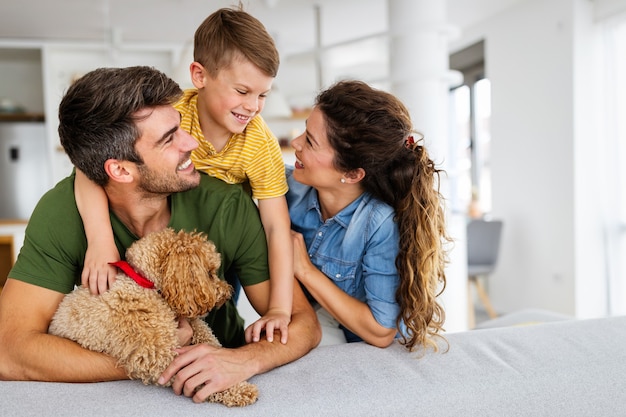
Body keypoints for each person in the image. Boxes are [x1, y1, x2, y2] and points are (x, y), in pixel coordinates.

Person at [0, 66, 320, 403]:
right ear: (120, 170)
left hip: (215, 380)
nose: (192, 143)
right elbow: (9, 350)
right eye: (169, 139)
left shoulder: (225, 205)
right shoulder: (62, 213)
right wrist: (153, 359)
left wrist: (243, 359)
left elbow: (303, 324)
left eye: (180, 126)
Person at [75, 5, 294, 344]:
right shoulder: (169, 115)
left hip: (217, 251)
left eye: (263, 94)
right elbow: (88, 168)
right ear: (199, 75)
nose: (253, 106)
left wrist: (279, 308)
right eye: (242, 91)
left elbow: (276, 225)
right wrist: (101, 241)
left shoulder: (260, 143)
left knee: (214, 313)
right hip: (158, 240)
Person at [287, 80, 450, 351]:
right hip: (321, 325)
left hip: (368, 348)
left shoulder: (379, 224)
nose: (295, 143)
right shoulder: (288, 186)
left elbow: (381, 331)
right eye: (304, 131)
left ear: (352, 174)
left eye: (310, 142)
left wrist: (303, 268)